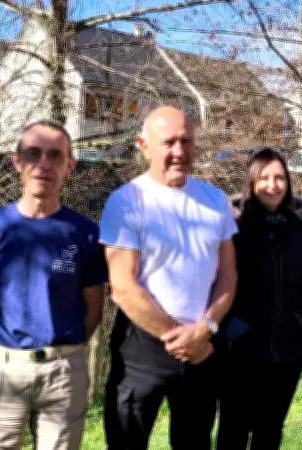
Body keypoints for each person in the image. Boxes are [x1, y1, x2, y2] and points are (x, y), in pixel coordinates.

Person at [100, 106, 238, 450]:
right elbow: (122, 287)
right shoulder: (127, 202)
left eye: (186, 141)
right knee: (127, 442)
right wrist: (178, 339)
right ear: (143, 145)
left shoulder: (215, 200)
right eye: (169, 142)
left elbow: (228, 273)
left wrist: (206, 328)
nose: (179, 152)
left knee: (194, 442)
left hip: (203, 345)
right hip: (143, 347)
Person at [0, 120, 107, 450]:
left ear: (69, 166)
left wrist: (65, 352)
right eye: (33, 154)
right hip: (1, 368)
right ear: (17, 161)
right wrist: (0, 345)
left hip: (63, 372)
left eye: (55, 156)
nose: (43, 164)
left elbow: (94, 308)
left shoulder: (85, 233)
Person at [216, 148, 302, 449]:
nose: (273, 185)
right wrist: (223, 334)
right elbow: (217, 283)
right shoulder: (233, 227)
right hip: (240, 345)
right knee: (234, 427)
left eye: (280, 177)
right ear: (251, 183)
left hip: (289, 347)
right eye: (264, 177)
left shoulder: (300, 228)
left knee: (270, 429)